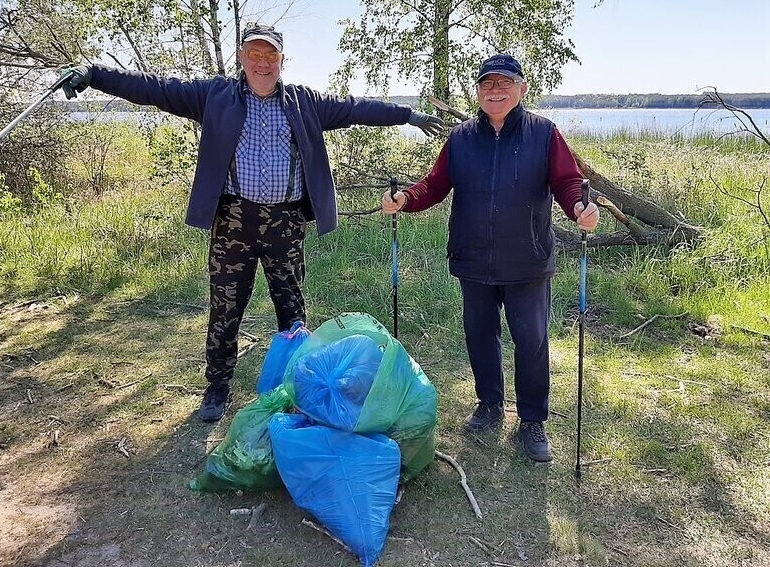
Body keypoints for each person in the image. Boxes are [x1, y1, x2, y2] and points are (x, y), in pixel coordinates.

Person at [62, 24, 444, 422]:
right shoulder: (214, 96)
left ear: (282, 60)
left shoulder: (304, 102)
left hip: (286, 221)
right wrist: (94, 74)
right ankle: (217, 385)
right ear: (241, 57)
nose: (263, 62)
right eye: (254, 54)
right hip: (233, 220)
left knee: (292, 310)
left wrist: (408, 114)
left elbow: (356, 108)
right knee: (226, 306)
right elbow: (155, 88)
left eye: (271, 55)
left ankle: (299, 385)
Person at [381, 53, 599, 462]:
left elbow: (569, 183)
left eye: (504, 83)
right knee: (480, 335)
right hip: (473, 257)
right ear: (478, 91)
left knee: (531, 341)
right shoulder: (461, 138)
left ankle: (532, 419)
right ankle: (490, 403)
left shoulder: (544, 134)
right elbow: (433, 185)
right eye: (487, 84)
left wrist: (580, 209)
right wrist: (404, 199)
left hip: (527, 260)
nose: (495, 91)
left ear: (522, 88)